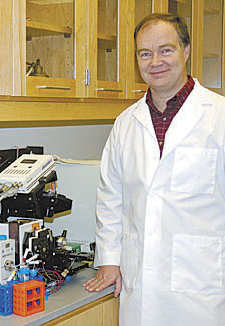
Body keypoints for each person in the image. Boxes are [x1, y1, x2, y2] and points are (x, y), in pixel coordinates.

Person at [83, 12, 225, 326]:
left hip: (204, 288)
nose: (155, 61)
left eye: (166, 50)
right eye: (145, 54)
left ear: (186, 52)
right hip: (140, 288)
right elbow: (110, 198)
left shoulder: (219, 117)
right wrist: (108, 260)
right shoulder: (125, 123)